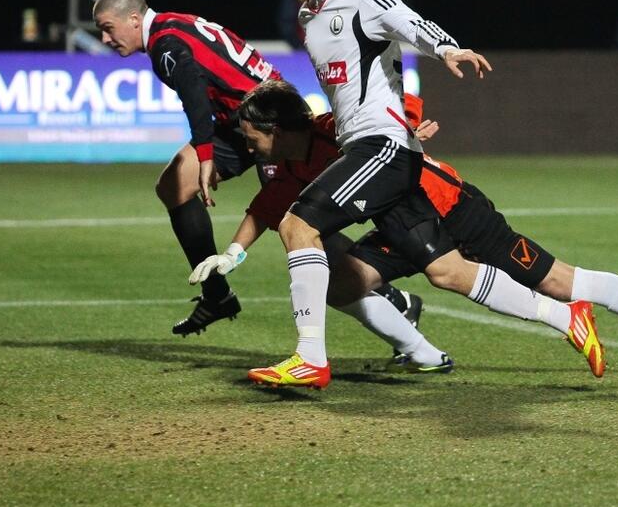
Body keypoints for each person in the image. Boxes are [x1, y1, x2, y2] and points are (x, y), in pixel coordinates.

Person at [239, 0, 607, 390]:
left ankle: (310, 357)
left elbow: (408, 22)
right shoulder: (310, 18)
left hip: (382, 148)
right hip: (379, 152)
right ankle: (565, 317)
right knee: (448, 271)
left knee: (297, 225)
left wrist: (447, 49)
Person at [189, 91, 453, 373]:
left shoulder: (336, 129)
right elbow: (266, 209)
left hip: (436, 213)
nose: (249, 148)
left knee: (469, 278)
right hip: (402, 226)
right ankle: (425, 353)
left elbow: (403, 99)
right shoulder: (292, 164)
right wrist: (231, 255)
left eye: (251, 139)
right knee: (338, 283)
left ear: (276, 132)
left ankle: (323, 357)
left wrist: (405, 127)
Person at [90, 0, 284, 336]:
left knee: (298, 224)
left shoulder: (165, 44)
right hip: (241, 120)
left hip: (273, 124)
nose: (105, 39)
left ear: (133, 19)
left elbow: (193, 93)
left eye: (107, 27)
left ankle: (389, 299)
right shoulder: (170, 26)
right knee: (174, 185)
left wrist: (206, 155)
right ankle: (217, 296)